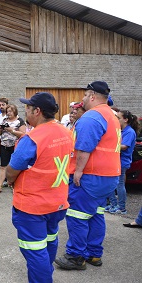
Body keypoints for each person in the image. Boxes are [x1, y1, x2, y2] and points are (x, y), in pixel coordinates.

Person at [5, 92, 73, 283]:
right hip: (57, 203)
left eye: (28, 107)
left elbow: (12, 171)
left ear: (37, 111)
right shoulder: (65, 132)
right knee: (49, 241)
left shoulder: (33, 138)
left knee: (35, 252)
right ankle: (46, 273)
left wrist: (10, 180)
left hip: (32, 207)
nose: (25, 110)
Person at [55, 81, 120, 270]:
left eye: (84, 95)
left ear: (92, 96)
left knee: (77, 215)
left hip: (91, 176)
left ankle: (76, 256)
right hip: (108, 176)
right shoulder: (111, 115)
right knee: (96, 214)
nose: (82, 99)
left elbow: (84, 148)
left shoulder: (92, 117)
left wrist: (78, 171)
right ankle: (93, 254)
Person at [106, 110, 139, 215]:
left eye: (118, 118)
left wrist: (109, 146)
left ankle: (121, 208)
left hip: (122, 162)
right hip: (115, 160)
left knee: (119, 184)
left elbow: (124, 147)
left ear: (126, 120)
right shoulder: (120, 130)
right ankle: (113, 204)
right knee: (111, 184)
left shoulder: (129, 132)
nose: (116, 120)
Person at [0, 104, 26, 194]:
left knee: (14, 166)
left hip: (15, 146)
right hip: (4, 145)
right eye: (7, 111)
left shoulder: (20, 121)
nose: (8, 113)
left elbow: (23, 134)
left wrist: (12, 130)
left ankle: (14, 186)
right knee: (3, 166)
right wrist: (0, 129)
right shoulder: (4, 120)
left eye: (10, 111)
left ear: (15, 111)